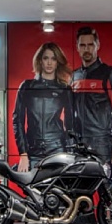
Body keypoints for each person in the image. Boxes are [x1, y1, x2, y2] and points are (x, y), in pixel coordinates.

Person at [72, 26, 112, 164]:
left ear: (97, 45)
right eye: (83, 45)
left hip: (103, 143)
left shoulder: (110, 73)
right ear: (77, 47)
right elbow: (70, 111)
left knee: (106, 179)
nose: (87, 49)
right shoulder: (74, 76)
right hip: (78, 143)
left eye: (90, 45)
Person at [13, 42, 73, 172]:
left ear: (57, 62)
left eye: (53, 58)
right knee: (32, 185)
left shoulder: (64, 89)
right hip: (33, 150)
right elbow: (18, 121)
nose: (49, 63)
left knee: (58, 186)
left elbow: (70, 125)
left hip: (58, 149)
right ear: (40, 61)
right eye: (46, 58)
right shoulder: (27, 86)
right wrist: (23, 153)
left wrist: (71, 153)